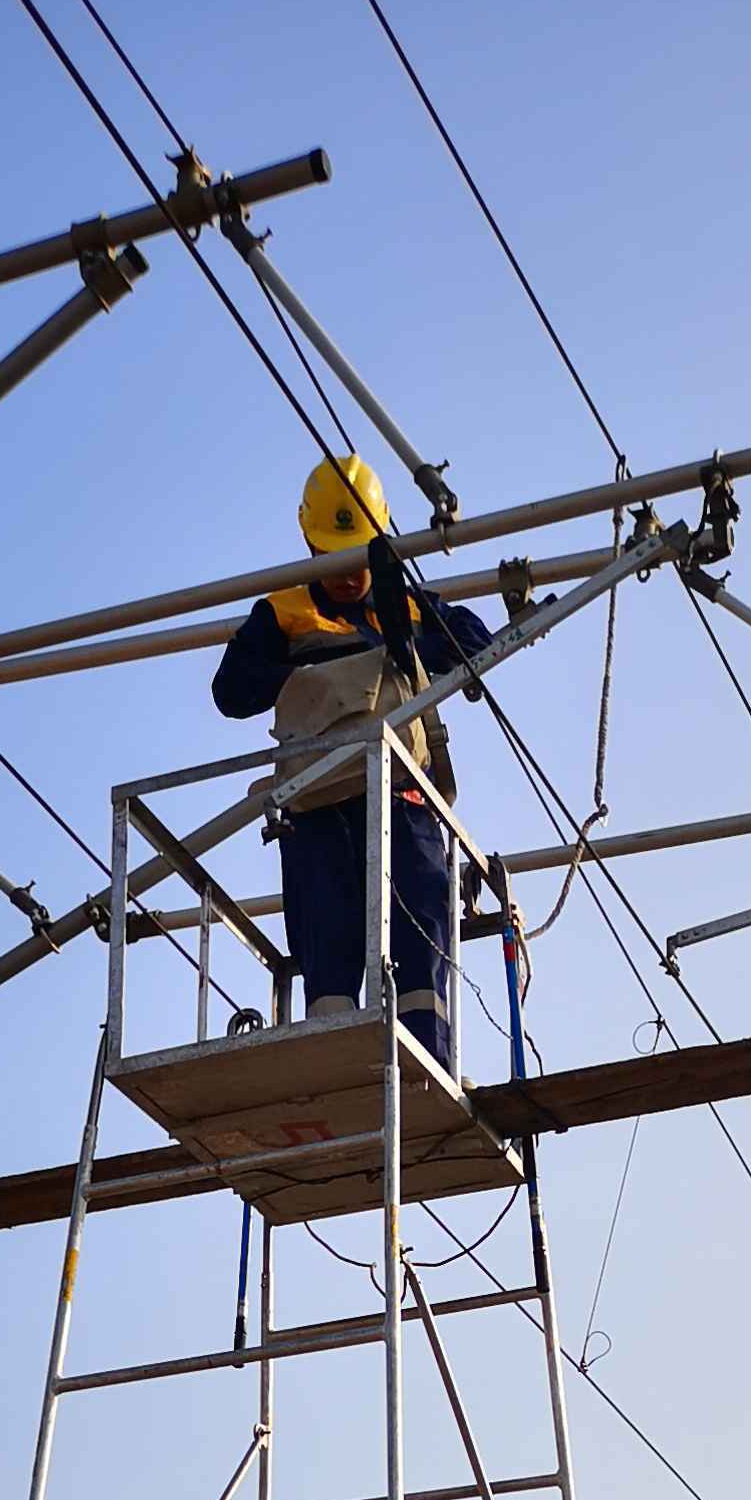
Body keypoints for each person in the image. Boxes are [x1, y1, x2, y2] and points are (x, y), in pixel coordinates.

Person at [211, 453, 493, 1069]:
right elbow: (230, 691)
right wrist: (313, 677)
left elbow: (475, 642)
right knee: (329, 939)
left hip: (401, 798)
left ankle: (427, 1067)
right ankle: (337, 1071)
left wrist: (397, 638)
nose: (345, 575)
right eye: (335, 552)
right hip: (319, 801)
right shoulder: (283, 613)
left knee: (420, 929)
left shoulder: (407, 605)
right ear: (311, 541)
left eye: (359, 550)